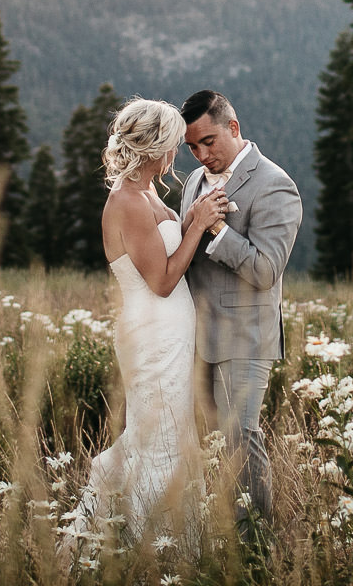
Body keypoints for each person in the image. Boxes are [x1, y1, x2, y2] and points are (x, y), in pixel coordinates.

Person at [64, 97, 231, 551]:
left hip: (169, 329)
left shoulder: (147, 192)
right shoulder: (127, 202)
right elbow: (159, 280)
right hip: (152, 330)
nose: (177, 155)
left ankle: (147, 540)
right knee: (159, 438)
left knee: (165, 430)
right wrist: (195, 223)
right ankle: (147, 548)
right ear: (155, 148)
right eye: (174, 146)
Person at [177, 88, 303, 533]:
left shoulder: (275, 184)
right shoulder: (193, 182)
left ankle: (255, 548)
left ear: (233, 127)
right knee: (210, 443)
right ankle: (222, 535)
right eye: (192, 147)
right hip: (197, 335)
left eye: (208, 142)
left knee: (241, 439)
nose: (201, 155)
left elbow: (267, 270)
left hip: (246, 337)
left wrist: (214, 228)